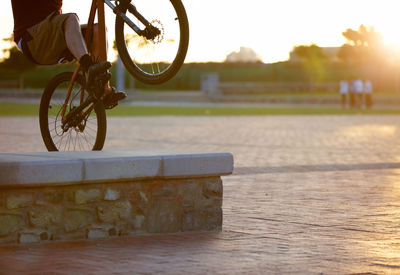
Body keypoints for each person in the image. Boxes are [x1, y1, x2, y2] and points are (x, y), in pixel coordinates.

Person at [11, 0, 126, 108]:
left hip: (52, 35)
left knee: (98, 30)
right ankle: (88, 66)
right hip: (31, 40)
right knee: (71, 19)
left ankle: (101, 88)